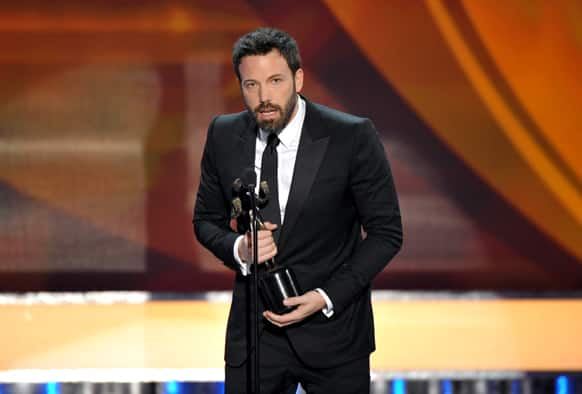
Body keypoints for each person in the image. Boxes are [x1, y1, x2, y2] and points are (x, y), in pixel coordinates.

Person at [194, 27, 402, 394]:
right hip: (256, 338)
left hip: (334, 334)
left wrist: (326, 296)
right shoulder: (223, 135)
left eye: (275, 81)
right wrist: (240, 248)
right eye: (251, 85)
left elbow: (386, 233)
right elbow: (206, 222)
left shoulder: (351, 137)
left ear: (298, 78)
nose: (264, 97)